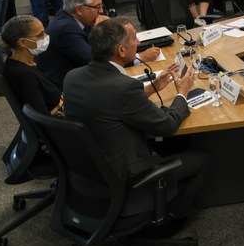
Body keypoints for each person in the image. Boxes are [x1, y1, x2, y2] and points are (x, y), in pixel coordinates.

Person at [63, 18, 209, 219]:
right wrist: (182, 93)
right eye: (134, 39)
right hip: (125, 175)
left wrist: (153, 88)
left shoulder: (72, 77)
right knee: (202, 159)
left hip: (88, 173)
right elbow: (167, 125)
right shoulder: (123, 87)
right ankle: (172, 219)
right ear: (121, 51)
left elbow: (109, 104)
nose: (139, 42)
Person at [37, 0, 159, 88]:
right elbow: (98, 62)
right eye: (97, 7)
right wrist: (139, 57)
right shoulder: (65, 29)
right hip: (70, 89)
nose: (101, 11)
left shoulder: (73, 18)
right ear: (79, 9)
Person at [0, 15, 63, 115]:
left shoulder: (23, 60)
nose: (46, 37)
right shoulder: (25, 76)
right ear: (23, 42)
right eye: (40, 34)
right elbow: (41, 116)